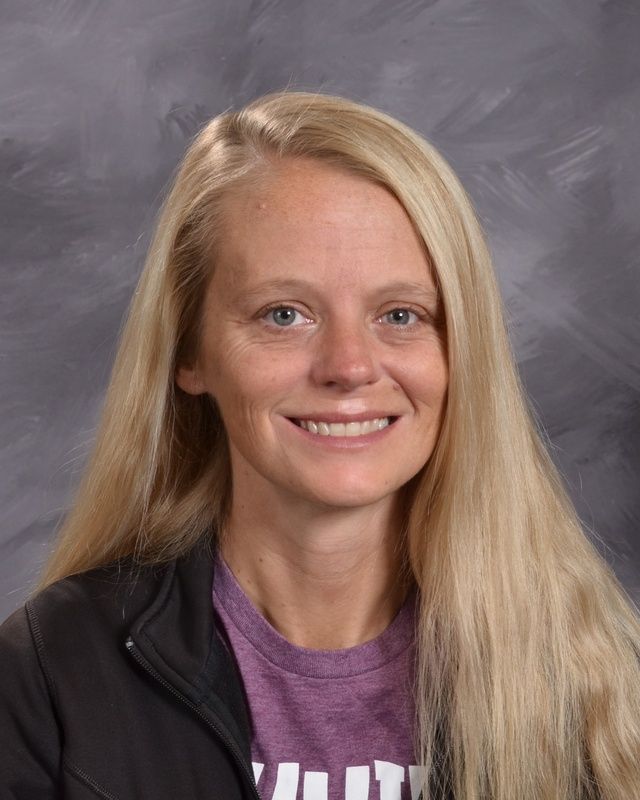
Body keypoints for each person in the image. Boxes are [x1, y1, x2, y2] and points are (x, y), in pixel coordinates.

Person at [1, 90, 639, 800]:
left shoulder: (590, 686)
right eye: (284, 314)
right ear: (190, 352)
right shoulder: (53, 674)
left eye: (400, 314)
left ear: (462, 351)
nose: (350, 366)